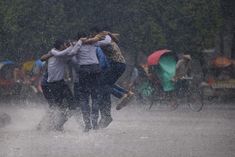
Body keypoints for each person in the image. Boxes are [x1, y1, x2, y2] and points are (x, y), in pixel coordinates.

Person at [38, 39, 82, 131]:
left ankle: (53, 124)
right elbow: (42, 58)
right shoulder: (56, 53)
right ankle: (49, 125)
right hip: (50, 84)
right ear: (60, 46)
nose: (66, 46)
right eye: (64, 45)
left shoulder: (59, 54)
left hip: (58, 83)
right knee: (56, 106)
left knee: (61, 106)